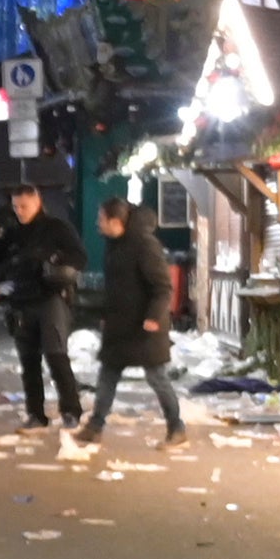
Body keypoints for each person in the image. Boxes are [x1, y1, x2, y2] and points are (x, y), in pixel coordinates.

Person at [81, 191, 187, 445]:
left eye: (101, 218)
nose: (98, 223)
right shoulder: (114, 244)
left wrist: (153, 317)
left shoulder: (144, 244)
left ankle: (177, 427)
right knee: (108, 374)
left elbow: (163, 287)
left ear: (115, 221)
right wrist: (108, 315)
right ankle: (95, 426)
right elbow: (118, 286)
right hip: (120, 326)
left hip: (145, 327)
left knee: (157, 377)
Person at [0, 177, 85, 429]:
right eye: (16, 207)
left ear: (38, 202)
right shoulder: (11, 231)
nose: (20, 212)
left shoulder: (57, 228)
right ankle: (36, 414)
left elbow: (80, 258)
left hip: (50, 297)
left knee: (56, 356)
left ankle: (71, 411)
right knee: (29, 362)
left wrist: (52, 257)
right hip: (19, 301)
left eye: (24, 206)